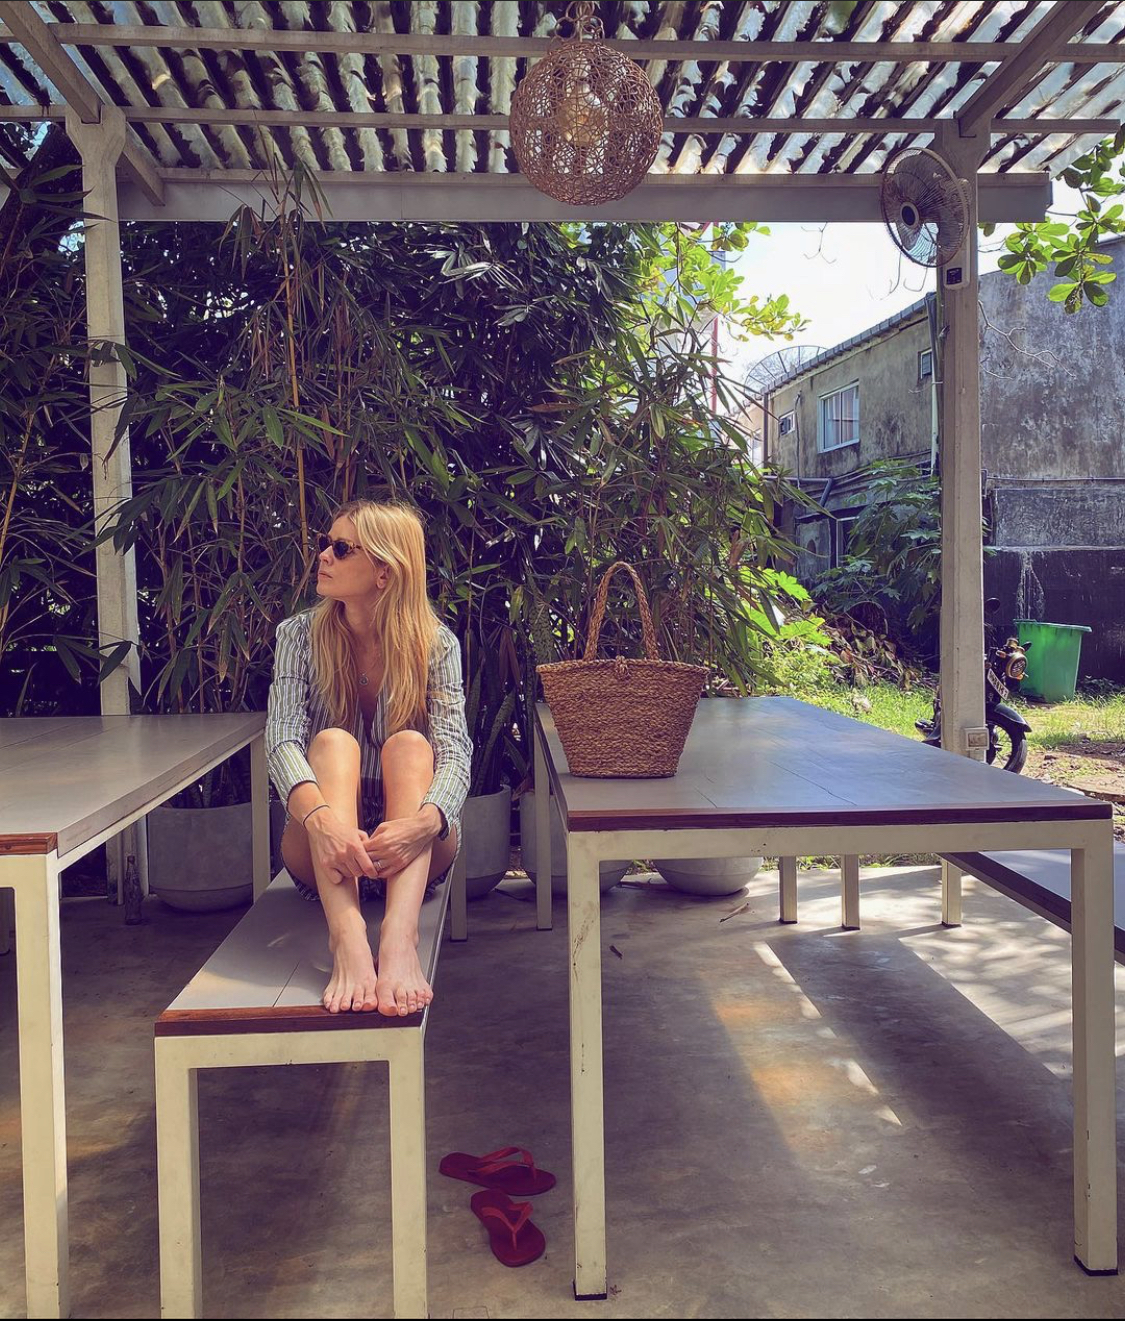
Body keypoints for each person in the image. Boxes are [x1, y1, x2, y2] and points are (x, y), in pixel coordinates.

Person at [266, 497, 472, 1017]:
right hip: (324, 846)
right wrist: (322, 823)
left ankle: (400, 937)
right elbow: (281, 740)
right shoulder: (298, 636)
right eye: (325, 544)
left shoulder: (435, 645)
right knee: (332, 743)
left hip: (414, 850)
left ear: (385, 571)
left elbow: (456, 751)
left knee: (412, 745)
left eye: (341, 548)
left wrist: (424, 824)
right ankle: (348, 936)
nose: (323, 556)